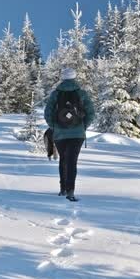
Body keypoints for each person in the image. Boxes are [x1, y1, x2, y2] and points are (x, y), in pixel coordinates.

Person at [44, 67, 95, 202]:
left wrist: (54, 127)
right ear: (75, 77)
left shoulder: (55, 94)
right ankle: (70, 191)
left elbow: (47, 113)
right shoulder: (82, 93)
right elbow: (91, 112)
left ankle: (63, 189)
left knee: (63, 159)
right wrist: (83, 126)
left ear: (62, 77)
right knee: (72, 161)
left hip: (60, 134)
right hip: (77, 134)